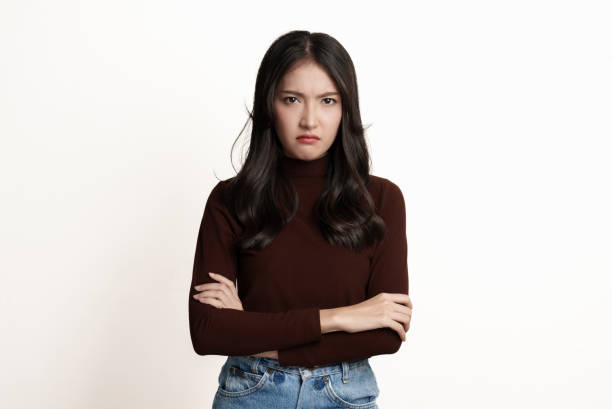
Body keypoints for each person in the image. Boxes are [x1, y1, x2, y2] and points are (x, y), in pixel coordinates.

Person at [189, 30, 413, 409]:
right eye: (292, 99)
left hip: (345, 396)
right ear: (269, 105)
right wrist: (341, 317)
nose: (310, 119)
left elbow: (385, 335)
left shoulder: (381, 199)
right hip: (250, 394)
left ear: (345, 109)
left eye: (327, 100)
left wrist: (254, 332)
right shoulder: (231, 199)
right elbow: (208, 332)